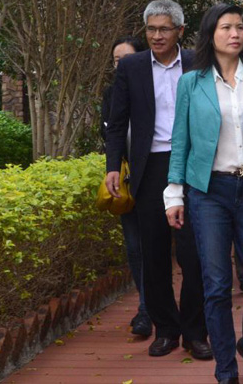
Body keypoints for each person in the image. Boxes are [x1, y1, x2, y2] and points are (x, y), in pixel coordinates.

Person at [165, 3, 243, 384]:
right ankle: (226, 369)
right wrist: (174, 193)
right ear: (210, 34)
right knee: (217, 286)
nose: (235, 34)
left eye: (240, 27)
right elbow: (181, 140)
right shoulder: (191, 83)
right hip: (208, 193)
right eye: (226, 27)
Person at [105, 0, 211, 360]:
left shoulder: (199, 62)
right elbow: (117, 121)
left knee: (194, 253)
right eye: (151, 29)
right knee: (153, 253)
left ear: (180, 31)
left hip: (192, 164)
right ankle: (166, 330)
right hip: (149, 167)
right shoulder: (131, 67)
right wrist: (113, 165)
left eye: (164, 29)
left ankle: (196, 332)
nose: (156, 35)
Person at [100, 36, 151, 338]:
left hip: (155, 177)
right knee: (134, 246)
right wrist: (114, 168)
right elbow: (109, 134)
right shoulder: (111, 94)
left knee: (155, 245)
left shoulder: (154, 89)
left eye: (127, 59)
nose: (121, 65)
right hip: (127, 179)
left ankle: (156, 305)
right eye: (116, 60)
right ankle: (146, 307)